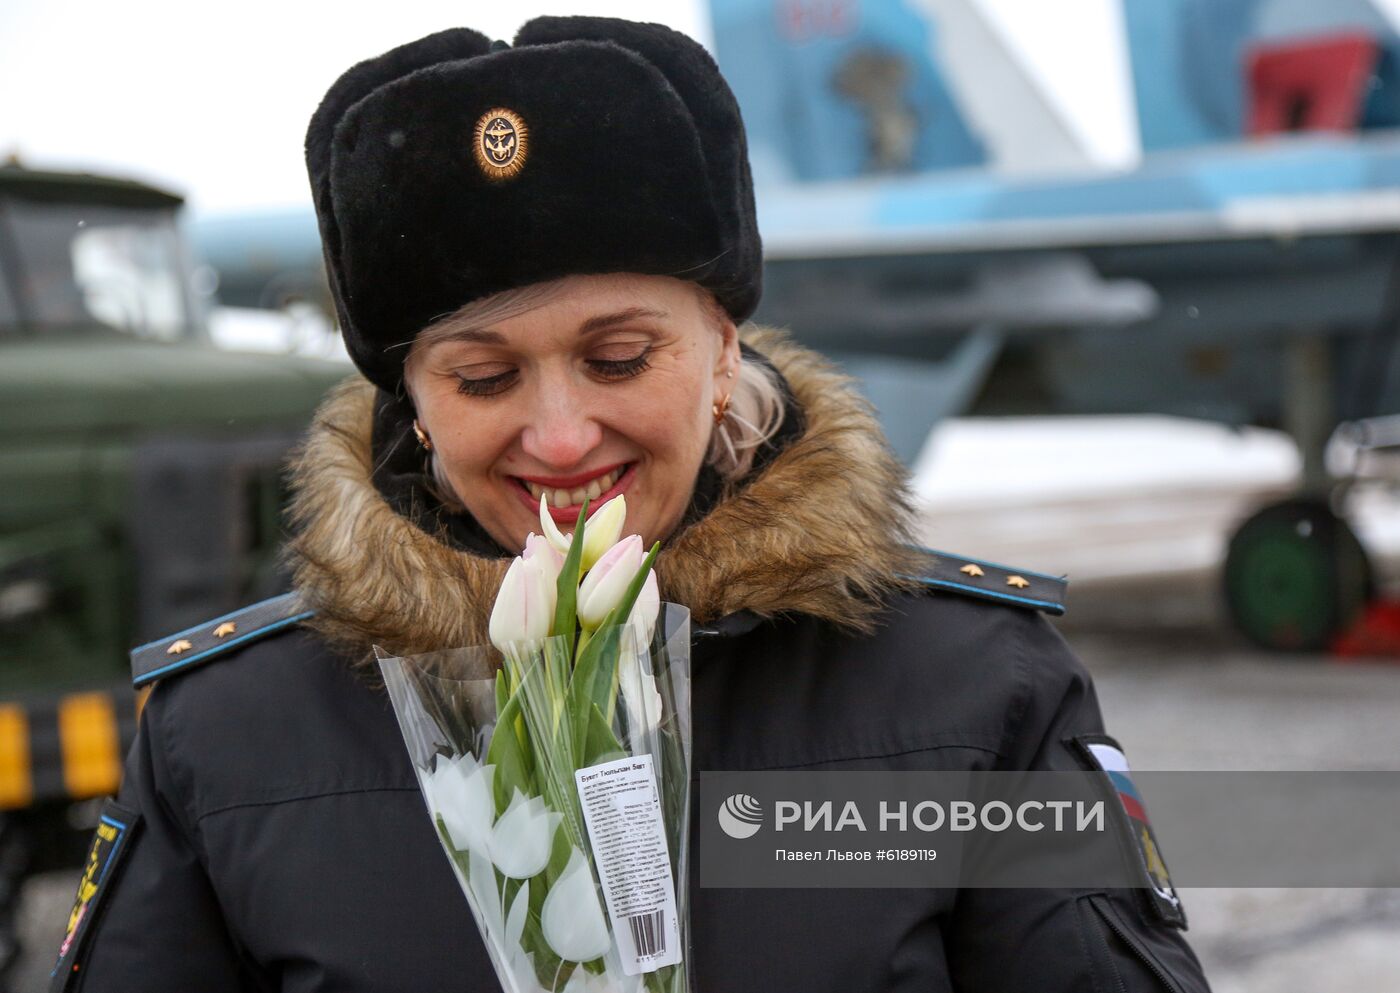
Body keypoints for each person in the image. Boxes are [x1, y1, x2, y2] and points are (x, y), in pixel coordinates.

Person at [49, 18, 1212, 993]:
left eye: (617, 358)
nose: (558, 437)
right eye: (483, 377)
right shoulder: (229, 730)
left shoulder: (973, 687)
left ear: (721, 351)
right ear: (406, 398)